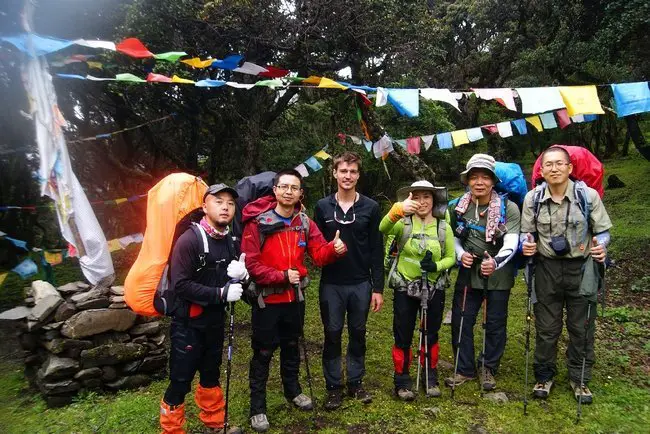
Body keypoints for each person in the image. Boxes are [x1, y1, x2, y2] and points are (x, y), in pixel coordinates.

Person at [242, 168, 347, 432]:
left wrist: (334, 250)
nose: (289, 192)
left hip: (295, 300)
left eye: (294, 188)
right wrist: (280, 276)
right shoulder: (258, 223)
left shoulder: (304, 222)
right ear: (275, 190)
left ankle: (293, 391)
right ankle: (258, 408)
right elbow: (251, 264)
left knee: (292, 347)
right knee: (263, 353)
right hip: (266, 302)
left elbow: (319, 254)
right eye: (284, 187)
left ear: (301, 193)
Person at [521, 146, 611, 403]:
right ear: (542, 170)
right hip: (546, 268)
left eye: (560, 163)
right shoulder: (533, 199)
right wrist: (526, 244)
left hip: (581, 268)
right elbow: (527, 234)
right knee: (546, 328)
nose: (554, 168)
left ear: (570, 168)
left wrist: (601, 246)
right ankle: (544, 375)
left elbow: (603, 231)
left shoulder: (588, 195)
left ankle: (580, 379)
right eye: (548, 164)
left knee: (581, 327)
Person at [160, 183, 247, 434]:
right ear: (204, 206)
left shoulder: (230, 241)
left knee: (211, 374)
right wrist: (221, 293)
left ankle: (215, 423)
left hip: (214, 322)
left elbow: (234, 281)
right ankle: (172, 430)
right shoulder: (189, 240)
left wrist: (242, 276)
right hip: (187, 324)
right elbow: (180, 285)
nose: (225, 207)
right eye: (219, 201)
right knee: (180, 380)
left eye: (230, 203)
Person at [314, 152, 384, 410]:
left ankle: (355, 383)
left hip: (360, 283)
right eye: (343, 171)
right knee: (332, 334)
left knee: (358, 332)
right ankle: (333, 387)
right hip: (331, 283)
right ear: (334, 173)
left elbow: (377, 249)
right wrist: (330, 249)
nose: (348, 176)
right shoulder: (322, 207)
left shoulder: (370, 207)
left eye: (353, 172)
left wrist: (378, 287)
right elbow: (316, 246)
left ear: (358, 175)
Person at [446, 154, 521, 391]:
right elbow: (453, 237)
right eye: (474, 177)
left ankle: (488, 366)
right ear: (467, 181)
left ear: (493, 181)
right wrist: (460, 256)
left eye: (485, 177)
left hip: (498, 273)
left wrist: (496, 262)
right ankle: (464, 368)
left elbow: (512, 241)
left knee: (495, 322)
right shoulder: (458, 207)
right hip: (468, 271)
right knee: (461, 319)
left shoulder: (508, 208)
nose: (479, 182)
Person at [380, 180, 455, 400]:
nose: (422, 202)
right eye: (416, 197)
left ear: (434, 200)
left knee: (430, 333)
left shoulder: (443, 227)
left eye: (427, 197)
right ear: (409, 199)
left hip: (434, 288)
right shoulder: (402, 224)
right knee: (402, 333)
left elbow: (451, 257)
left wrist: (437, 266)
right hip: (405, 286)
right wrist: (397, 210)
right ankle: (402, 380)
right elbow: (382, 227)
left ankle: (429, 377)